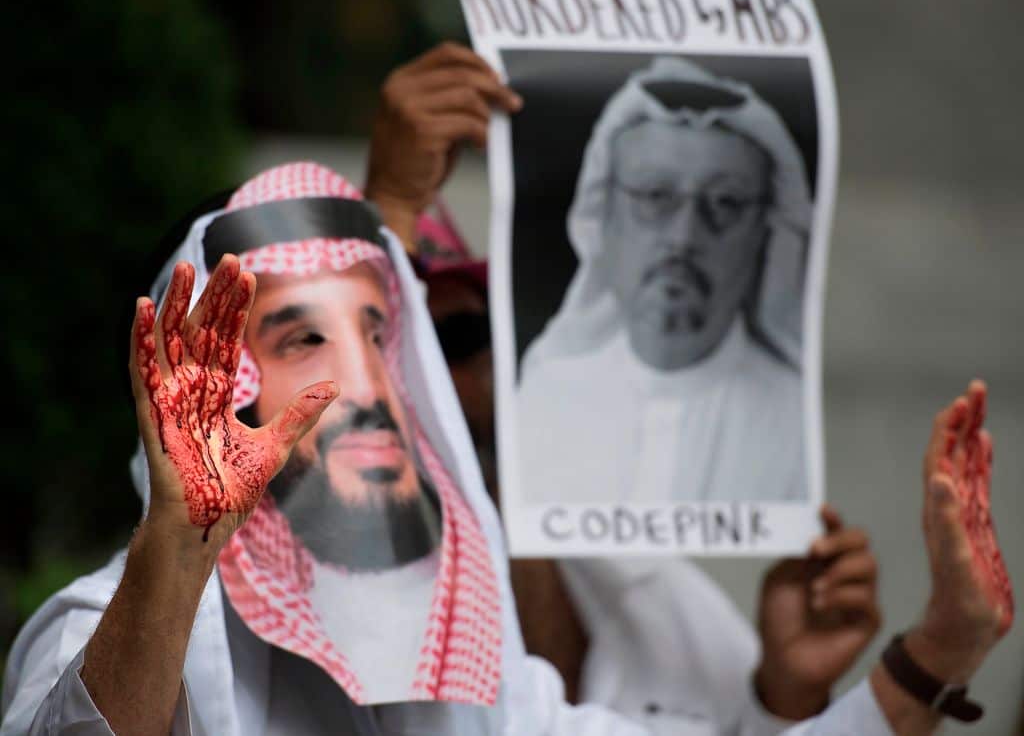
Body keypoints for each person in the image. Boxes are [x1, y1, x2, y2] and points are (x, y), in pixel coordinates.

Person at [0, 157, 1014, 735]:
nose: (366, 385)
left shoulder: (469, 679)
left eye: (378, 336)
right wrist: (179, 544)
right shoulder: (99, 626)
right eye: (305, 336)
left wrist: (942, 645)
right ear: (221, 382)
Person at [361, 43, 1013, 734]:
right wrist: (388, 209)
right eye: (405, 345)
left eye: (462, 339)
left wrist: (783, 695)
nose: (442, 382)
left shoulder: (647, 586)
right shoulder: (294, 590)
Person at [513, 56, 813, 504]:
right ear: (603, 218)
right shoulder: (542, 398)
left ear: (762, 233)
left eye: (726, 203)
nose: (683, 237)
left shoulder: (795, 420)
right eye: (655, 196)